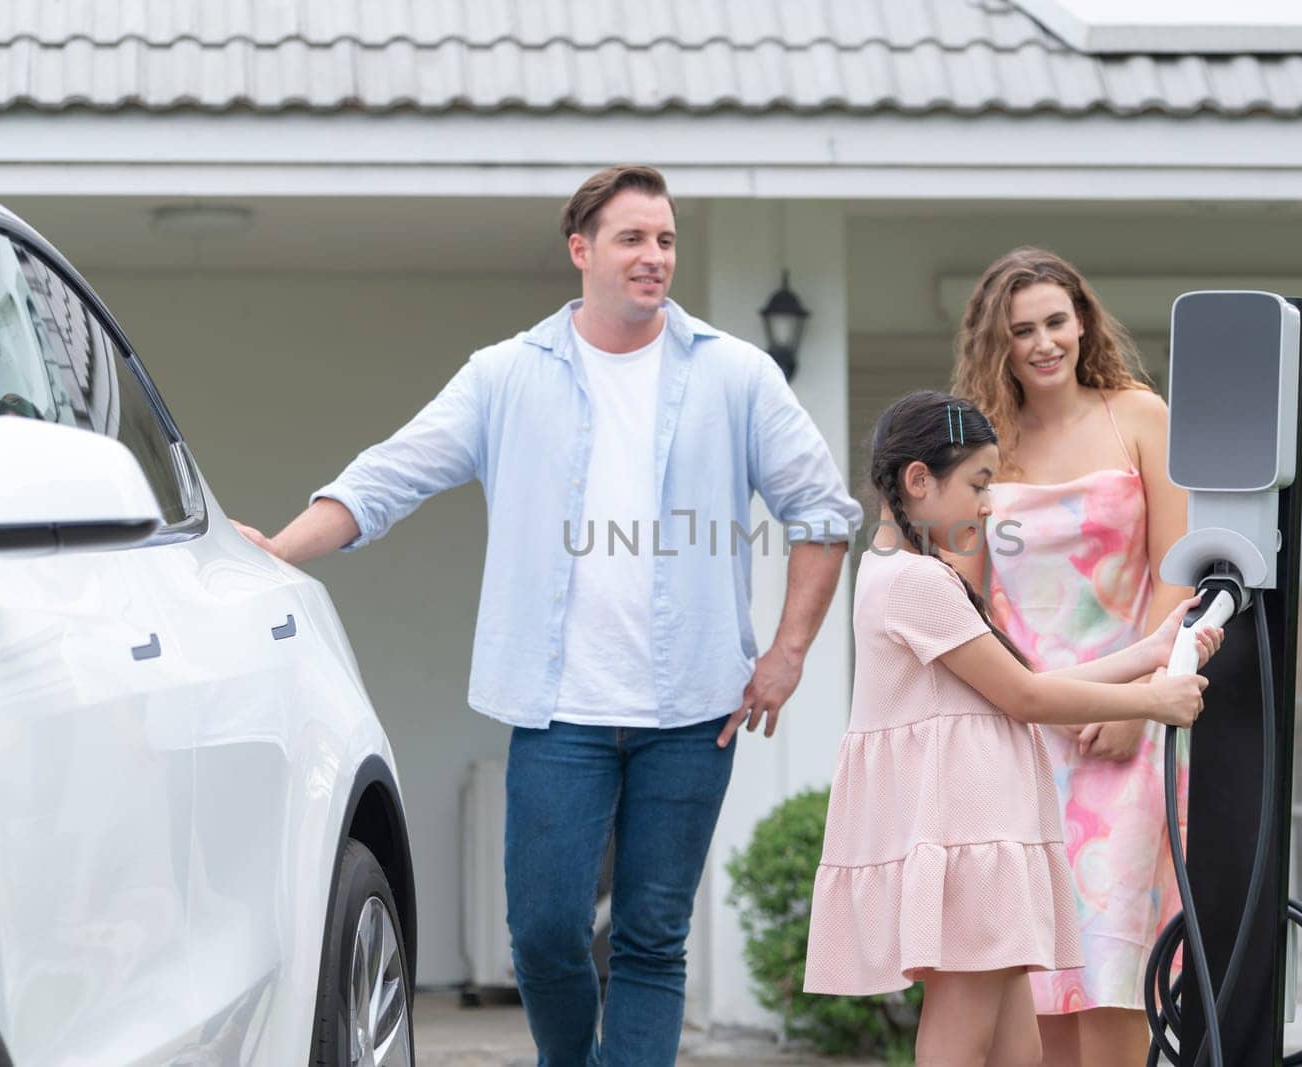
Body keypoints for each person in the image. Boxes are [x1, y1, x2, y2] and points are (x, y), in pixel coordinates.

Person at [232, 164, 863, 1066]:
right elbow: (389, 474)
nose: (655, 258)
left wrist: (790, 652)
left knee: (652, 935)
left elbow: (824, 515)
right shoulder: (506, 376)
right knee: (541, 931)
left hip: (694, 714)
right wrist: (283, 549)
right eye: (632, 239)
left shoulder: (735, 374)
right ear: (582, 249)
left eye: (667, 240)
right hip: (558, 711)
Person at [801, 390, 1216, 1067]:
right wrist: (1152, 702)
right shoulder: (914, 583)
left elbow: (1025, 681)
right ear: (917, 480)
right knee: (963, 1039)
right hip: (971, 843)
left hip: (990, 841)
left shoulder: (908, 574)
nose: (990, 504)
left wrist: (1149, 653)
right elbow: (1025, 695)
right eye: (979, 483)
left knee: (1017, 1053)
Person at [953, 247, 1192, 1067]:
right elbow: (966, 602)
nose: (1044, 342)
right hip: (1023, 734)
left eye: (1057, 321)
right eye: (1022, 330)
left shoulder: (1139, 417)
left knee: (1114, 968)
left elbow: (1178, 569)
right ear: (1000, 344)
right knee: (1042, 976)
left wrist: (1136, 700)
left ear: (1082, 320)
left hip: (1128, 729)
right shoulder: (984, 448)